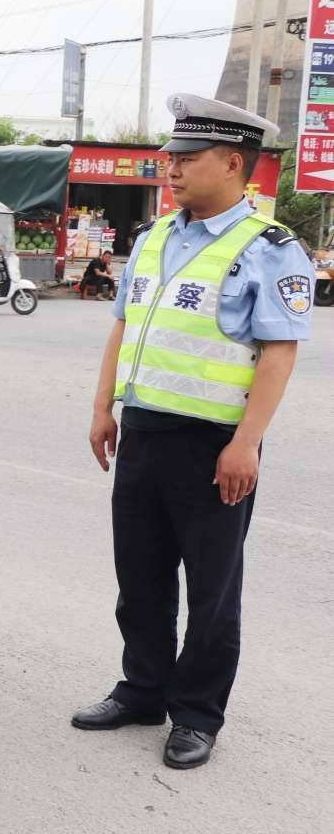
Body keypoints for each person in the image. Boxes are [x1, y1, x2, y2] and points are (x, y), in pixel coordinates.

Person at [73, 94, 314, 769]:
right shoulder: (155, 237)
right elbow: (123, 325)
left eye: (186, 159)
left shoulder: (271, 249)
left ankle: (197, 715)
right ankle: (142, 690)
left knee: (212, 590)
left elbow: (279, 353)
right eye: (169, 157)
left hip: (215, 443)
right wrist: (103, 407)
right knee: (140, 577)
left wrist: (245, 443)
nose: (169, 169)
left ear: (234, 163)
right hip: (144, 432)